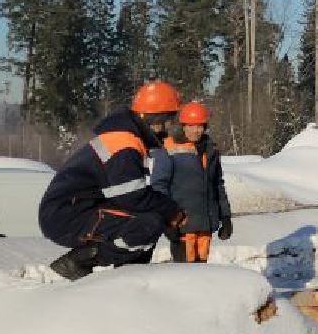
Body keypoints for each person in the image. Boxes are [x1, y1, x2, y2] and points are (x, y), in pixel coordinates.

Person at [38, 80, 187, 281]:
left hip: (77, 208)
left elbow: (130, 197)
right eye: (169, 122)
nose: (168, 130)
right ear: (154, 119)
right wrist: (171, 210)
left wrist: (166, 216)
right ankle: (78, 262)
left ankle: (131, 279)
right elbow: (133, 197)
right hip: (66, 215)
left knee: (150, 222)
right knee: (148, 224)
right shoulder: (124, 145)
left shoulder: (127, 138)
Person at [152, 100, 233, 263]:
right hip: (182, 227)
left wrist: (225, 216)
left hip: (205, 227)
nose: (197, 130)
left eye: (201, 126)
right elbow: (159, 188)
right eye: (192, 126)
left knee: (200, 275)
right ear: (183, 125)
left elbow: (217, 184)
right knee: (185, 279)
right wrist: (167, 221)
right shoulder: (168, 148)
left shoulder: (210, 149)